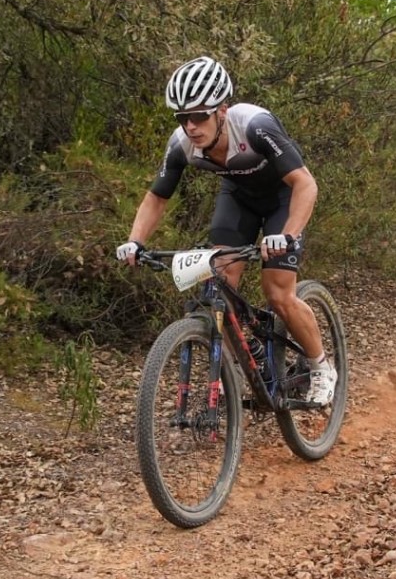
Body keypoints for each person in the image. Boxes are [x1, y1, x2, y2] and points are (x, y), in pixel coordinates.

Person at [115, 55, 338, 406]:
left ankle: (321, 366)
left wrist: (289, 234)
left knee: (278, 292)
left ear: (222, 110)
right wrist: (134, 241)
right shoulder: (181, 144)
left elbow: (305, 184)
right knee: (220, 279)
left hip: (283, 197)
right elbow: (157, 198)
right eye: (182, 117)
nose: (190, 125)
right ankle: (254, 358)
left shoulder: (254, 126)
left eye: (199, 115)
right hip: (239, 198)